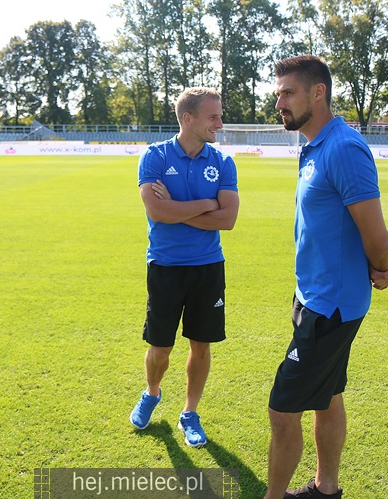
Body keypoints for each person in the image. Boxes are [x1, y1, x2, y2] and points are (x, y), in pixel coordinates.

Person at [262, 55, 388, 499]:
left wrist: (384, 266)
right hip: (313, 296)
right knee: (327, 395)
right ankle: (327, 488)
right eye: (278, 92)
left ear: (318, 92)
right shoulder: (313, 144)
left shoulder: (343, 147)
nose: (278, 101)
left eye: (288, 92)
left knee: (283, 412)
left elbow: (374, 231)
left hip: (330, 306)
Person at [130, 87, 240, 447]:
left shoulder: (223, 162)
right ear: (187, 118)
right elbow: (157, 212)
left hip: (208, 267)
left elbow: (228, 220)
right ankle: (152, 392)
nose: (220, 124)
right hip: (166, 266)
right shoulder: (156, 157)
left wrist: (181, 208)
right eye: (213, 117)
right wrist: (207, 203)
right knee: (160, 348)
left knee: (201, 346)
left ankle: (190, 413)